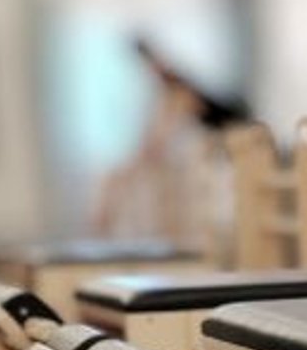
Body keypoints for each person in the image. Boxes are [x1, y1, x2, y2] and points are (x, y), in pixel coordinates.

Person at [91, 37, 251, 243]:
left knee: (129, 177)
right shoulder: (174, 89)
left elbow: (162, 133)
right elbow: (158, 133)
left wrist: (147, 152)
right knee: (124, 177)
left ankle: (105, 222)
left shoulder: (179, 88)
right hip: (226, 136)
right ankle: (105, 223)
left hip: (238, 138)